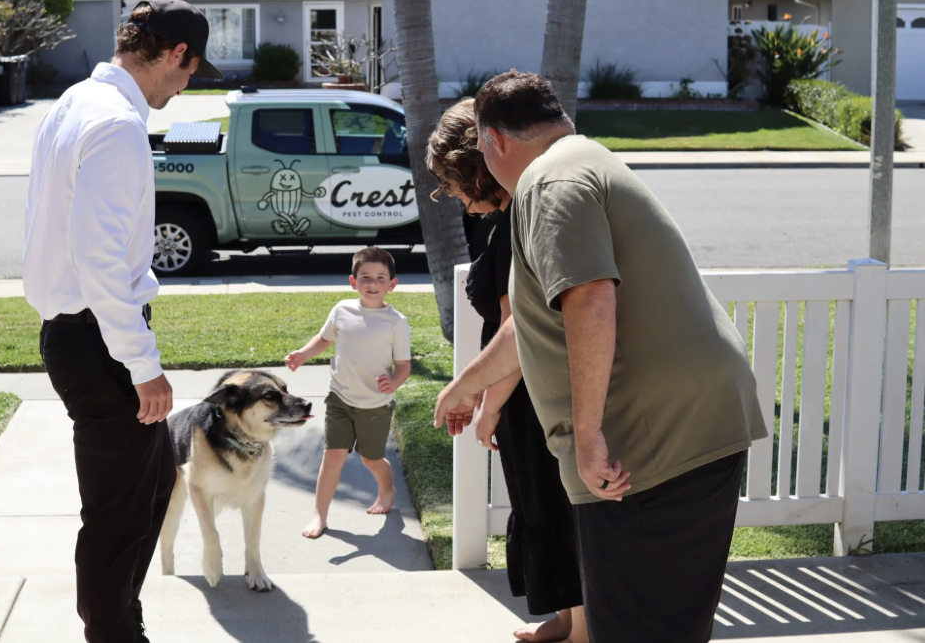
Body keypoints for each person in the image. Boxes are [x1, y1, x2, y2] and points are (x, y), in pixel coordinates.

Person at [434, 71, 767, 643]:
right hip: (693, 424)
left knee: (633, 628)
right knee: (667, 622)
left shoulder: (549, 183)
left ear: (494, 141)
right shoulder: (584, 159)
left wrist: (586, 437)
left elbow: (589, 298)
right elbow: (535, 324)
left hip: (648, 444)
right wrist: (466, 385)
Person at [23, 0, 223, 643]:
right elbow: (102, 259)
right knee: (118, 511)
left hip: (79, 333)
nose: (187, 82)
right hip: (98, 339)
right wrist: (144, 367)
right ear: (174, 55)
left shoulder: (76, 102)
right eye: (189, 71)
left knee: (152, 479)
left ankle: (118, 623)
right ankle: (115, 633)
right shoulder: (115, 124)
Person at [428, 99, 587, 643]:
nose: (453, 197)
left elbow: (515, 330)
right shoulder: (508, 219)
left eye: (452, 184)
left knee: (553, 505)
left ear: (474, 168)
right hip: (528, 390)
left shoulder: (514, 226)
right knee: (537, 504)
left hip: (533, 394)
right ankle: (565, 621)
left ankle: (584, 630)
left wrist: (486, 406)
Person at [285, 247, 412, 538]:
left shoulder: (396, 323)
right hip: (339, 399)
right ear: (353, 282)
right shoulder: (341, 310)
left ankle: (387, 490)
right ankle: (319, 515)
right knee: (333, 457)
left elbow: (403, 366)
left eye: (380, 277)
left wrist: (392, 382)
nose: (372, 283)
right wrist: (303, 354)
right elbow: (325, 338)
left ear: (392, 284)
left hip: (375, 405)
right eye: (365, 276)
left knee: (371, 459)